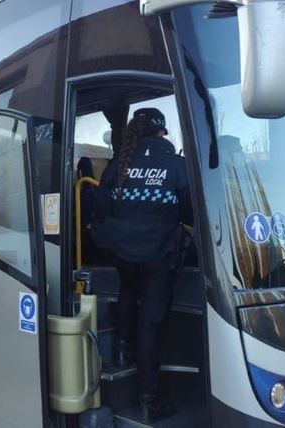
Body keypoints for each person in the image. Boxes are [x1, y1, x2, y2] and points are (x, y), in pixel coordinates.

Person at [92, 108, 191, 423]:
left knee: (127, 287)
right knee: (150, 321)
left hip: (122, 252)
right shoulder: (176, 164)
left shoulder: (119, 164)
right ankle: (149, 399)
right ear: (162, 132)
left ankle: (121, 350)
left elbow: (101, 206)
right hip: (158, 253)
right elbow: (190, 210)